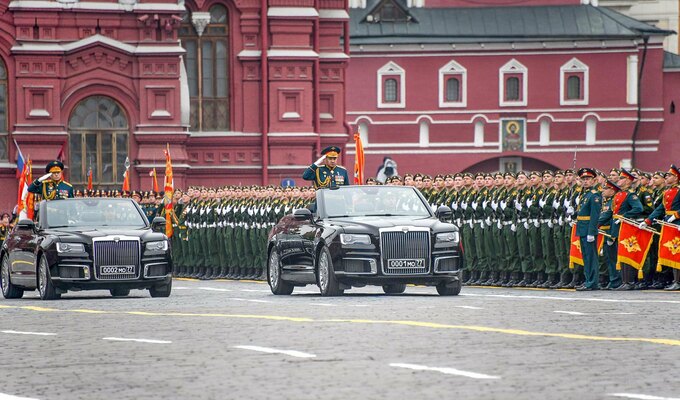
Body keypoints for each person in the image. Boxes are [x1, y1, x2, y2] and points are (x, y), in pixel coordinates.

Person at [575, 168, 603, 291]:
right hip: (582, 229)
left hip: (588, 230)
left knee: (591, 257)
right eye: (583, 179)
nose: (585, 181)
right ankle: (588, 280)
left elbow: (595, 216)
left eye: (588, 179)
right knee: (586, 257)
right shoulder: (585, 194)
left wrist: (591, 232)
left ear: (594, 180)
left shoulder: (594, 195)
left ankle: (592, 282)